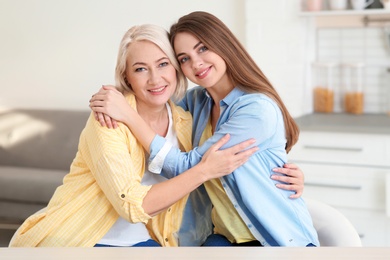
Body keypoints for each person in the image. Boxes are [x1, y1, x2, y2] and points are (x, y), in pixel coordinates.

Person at [9, 24, 259, 248]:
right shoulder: (107, 119)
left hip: (146, 237)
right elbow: (131, 204)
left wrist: (283, 171)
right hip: (80, 238)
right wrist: (203, 170)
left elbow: (227, 154)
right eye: (140, 69)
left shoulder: (186, 118)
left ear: (176, 69)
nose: (155, 79)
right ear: (126, 76)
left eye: (163, 64)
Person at [89, 12, 318, 247]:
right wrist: (110, 100)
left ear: (224, 46)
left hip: (277, 239)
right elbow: (152, 101)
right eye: (184, 58)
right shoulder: (196, 102)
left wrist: (127, 115)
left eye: (202, 49)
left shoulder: (256, 109)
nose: (196, 63)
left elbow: (187, 167)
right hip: (225, 238)